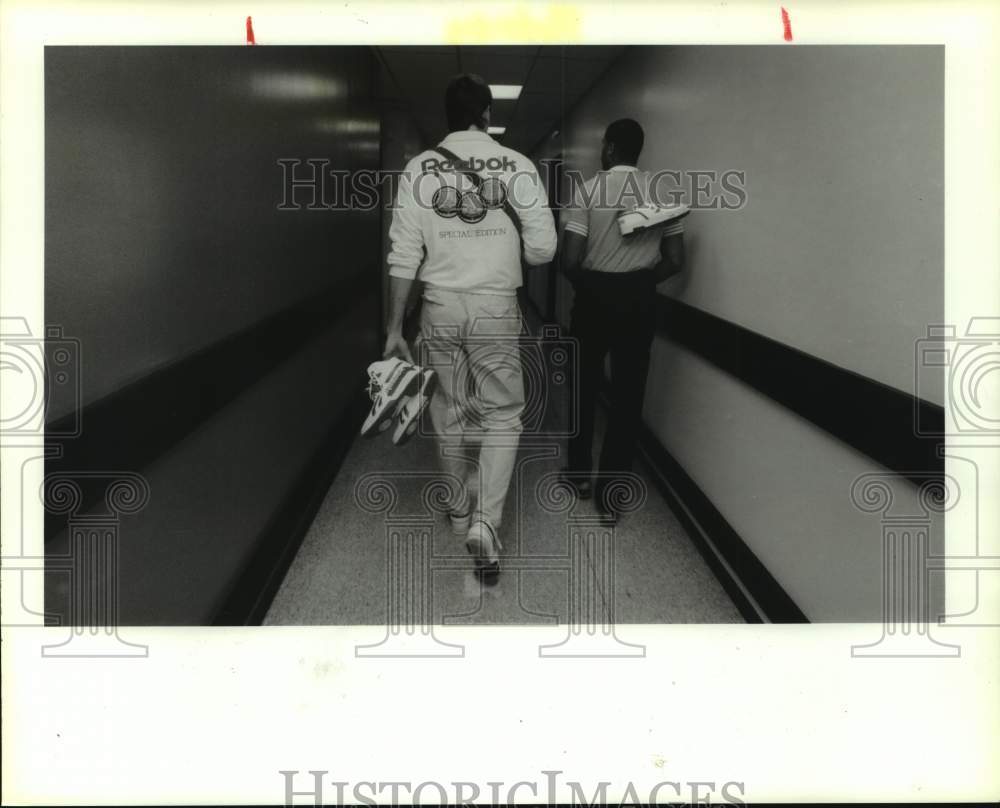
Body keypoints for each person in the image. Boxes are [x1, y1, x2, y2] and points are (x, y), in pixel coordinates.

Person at [383, 73, 557, 577]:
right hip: (495, 307)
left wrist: (396, 327)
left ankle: (459, 512)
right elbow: (544, 249)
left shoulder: (419, 168)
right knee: (503, 413)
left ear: (447, 116)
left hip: (438, 306)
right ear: (487, 115)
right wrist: (508, 248)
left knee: (448, 407)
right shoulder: (519, 166)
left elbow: (403, 255)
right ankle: (486, 523)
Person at [560, 118, 687, 521]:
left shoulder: (588, 190)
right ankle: (611, 499)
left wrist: (593, 284)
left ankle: (579, 474)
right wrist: (642, 280)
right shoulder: (665, 193)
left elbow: (569, 260)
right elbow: (676, 260)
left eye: (603, 146)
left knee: (584, 385)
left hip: (594, 298)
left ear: (611, 149)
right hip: (639, 300)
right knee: (629, 396)